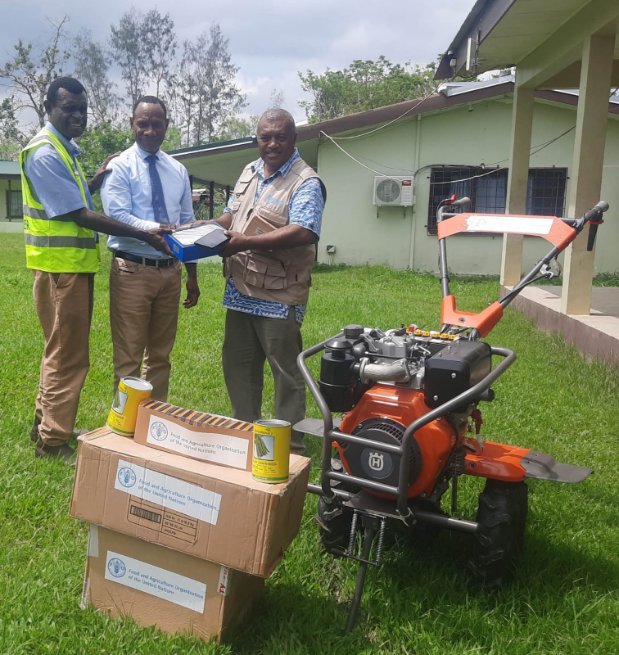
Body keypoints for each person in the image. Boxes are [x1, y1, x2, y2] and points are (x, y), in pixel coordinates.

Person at [21, 77, 171, 462]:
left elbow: (67, 200)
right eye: (68, 108)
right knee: (68, 355)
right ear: (48, 107)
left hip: (66, 268)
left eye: (81, 109)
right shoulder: (45, 152)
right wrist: (145, 232)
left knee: (59, 349)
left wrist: (94, 179)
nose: (77, 115)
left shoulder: (62, 150)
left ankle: (44, 422)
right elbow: (79, 214)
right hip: (62, 270)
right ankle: (53, 441)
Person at [209, 108, 325, 453]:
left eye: (280, 136)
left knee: (286, 374)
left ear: (294, 138)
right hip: (241, 291)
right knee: (239, 367)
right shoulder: (250, 171)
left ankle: (290, 449)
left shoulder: (307, 182)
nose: (272, 143)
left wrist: (243, 242)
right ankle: (246, 438)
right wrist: (201, 229)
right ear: (257, 139)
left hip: (279, 296)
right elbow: (231, 215)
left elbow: (303, 231)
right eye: (265, 137)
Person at [101, 96, 200, 402]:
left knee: (160, 355)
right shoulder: (119, 167)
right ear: (133, 124)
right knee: (129, 357)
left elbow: (187, 223)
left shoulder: (178, 170)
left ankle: (153, 422)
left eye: (157, 124)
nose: (150, 130)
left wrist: (192, 276)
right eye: (143, 123)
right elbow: (116, 214)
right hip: (132, 269)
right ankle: (124, 427)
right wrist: (155, 230)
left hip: (169, 273)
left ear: (166, 126)